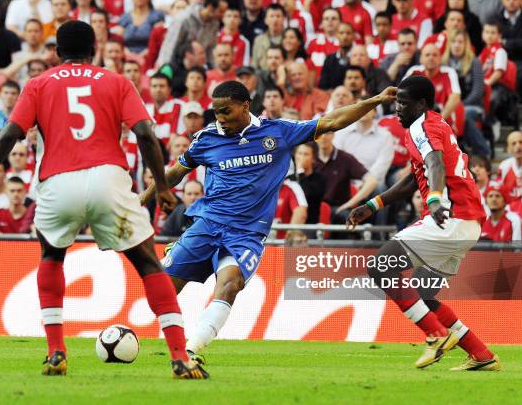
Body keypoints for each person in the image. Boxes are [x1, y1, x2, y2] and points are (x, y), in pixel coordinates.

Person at [0, 20, 209, 379]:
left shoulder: (38, 84)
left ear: (57, 53)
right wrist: (163, 187)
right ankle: (179, 356)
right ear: (94, 50)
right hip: (109, 179)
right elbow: (144, 134)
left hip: (58, 183)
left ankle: (56, 351)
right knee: (149, 265)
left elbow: (8, 135)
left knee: (51, 256)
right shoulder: (116, 81)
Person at [140, 80, 397, 362]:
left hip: (246, 235)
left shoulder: (278, 132)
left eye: (226, 111)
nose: (220, 119)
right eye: (216, 112)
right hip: (207, 225)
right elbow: (176, 172)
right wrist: (142, 199)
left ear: (245, 105)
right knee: (165, 287)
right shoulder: (207, 138)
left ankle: (191, 349)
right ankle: (127, 335)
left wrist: (374, 101)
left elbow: (332, 121)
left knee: (229, 284)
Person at [346, 75, 499, 371]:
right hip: (467, 223)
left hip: (449, 216)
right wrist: (374, 204)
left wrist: (434, 201)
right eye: (396, 103)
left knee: (380, 267)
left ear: (421, 104)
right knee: (423, 295)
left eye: (402, 104)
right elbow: (415, 178)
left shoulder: (422, 126)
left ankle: (436, 334)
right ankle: (481, 354)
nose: (397, 110)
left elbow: (435, 165)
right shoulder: (435, 123)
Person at [442, 29, 489, 156]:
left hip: (472, 106)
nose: (457, 45)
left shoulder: (475, 62)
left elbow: (478, 91)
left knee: (464, 116)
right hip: (448, 107)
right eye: (454, 42)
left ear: (465, 44)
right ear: (449, 44)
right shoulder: (443, 64)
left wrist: (459, 106)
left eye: (460, 42)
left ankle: (483, 152)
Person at [497, 0, 522, 102]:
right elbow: (494, 42)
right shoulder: (496, 19)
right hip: (502, 62)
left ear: (521, 0)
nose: (511, 1)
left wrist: (505, 43)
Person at [497, 131, 522, 200]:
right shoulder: (503, 166)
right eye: (514, 143)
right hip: (511, 208)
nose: (518, 146)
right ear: (508, 149)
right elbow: (499, 191)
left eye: (521, 142)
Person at [318, 22, 355, 90]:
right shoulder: (329, 59)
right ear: (336, 35)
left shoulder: (359, 58)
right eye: (341, 33)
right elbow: (323, 85)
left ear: (353, 36)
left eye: (348, 33)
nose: (345, 36)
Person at [251, 4, 286, 71]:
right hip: (262, 77)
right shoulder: (258, 40)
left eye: (278, 16)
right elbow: (254, 65)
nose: (275, 19)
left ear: (283, 18)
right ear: (265, 20)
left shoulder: (288, 38)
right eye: (271, 16)